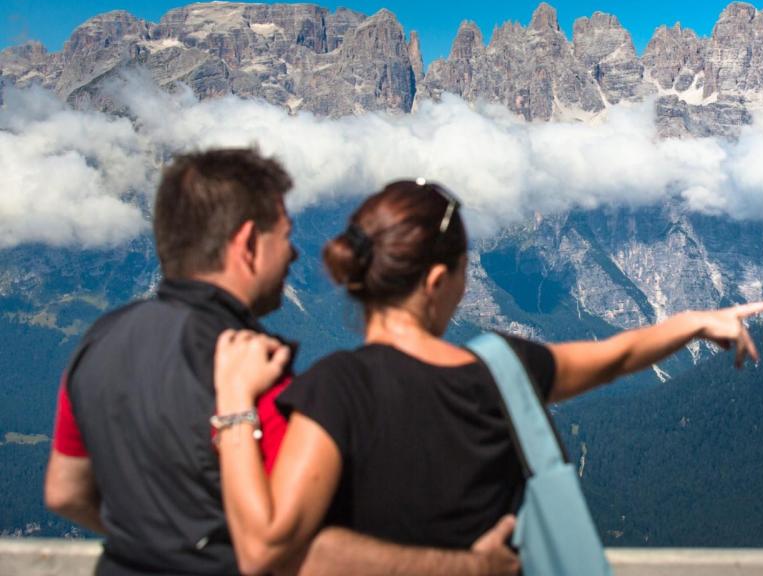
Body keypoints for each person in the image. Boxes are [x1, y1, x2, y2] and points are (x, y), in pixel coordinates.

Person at [213, 178, 763, 574]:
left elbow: (267, 550)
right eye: (463, 271)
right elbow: (617, 356)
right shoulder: (505, 370)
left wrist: (236, 403)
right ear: (436, 281)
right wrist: (695, 322)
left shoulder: (336, 387)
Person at [44, 150, 518, 576]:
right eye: (286, 236)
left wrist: (153, 535)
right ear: (247, 244)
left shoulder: (98, 339)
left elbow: (65, 491)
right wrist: (473, 567)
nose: (294, 253)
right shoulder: (252, 367)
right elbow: (307, 554)